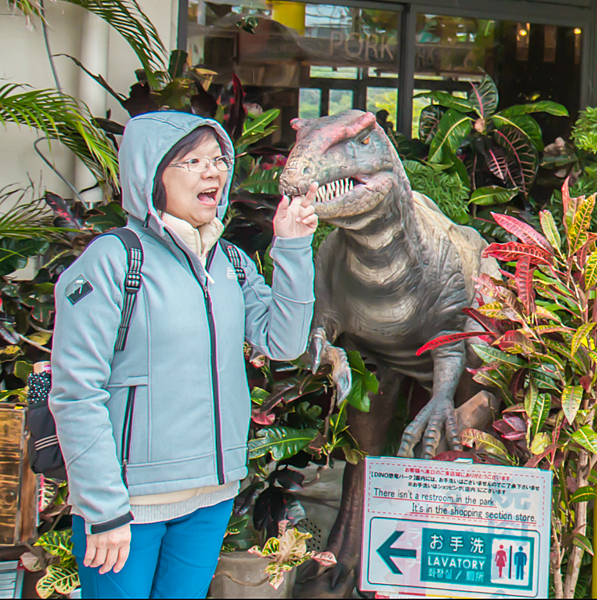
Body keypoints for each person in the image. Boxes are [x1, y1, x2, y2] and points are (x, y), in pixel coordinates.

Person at [49, 111, 318, 599]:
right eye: (191, 161)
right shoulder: (113, 262)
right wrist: (104, 508)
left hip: (210, 497)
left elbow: (285, 342)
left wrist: (294, 246)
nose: (211, 171)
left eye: (217, 159)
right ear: (150, 175)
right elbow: (76, 394)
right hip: (129, 506)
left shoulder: (230, 261)